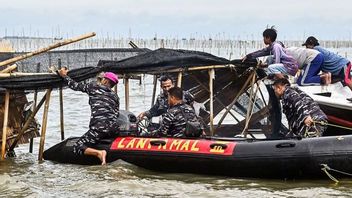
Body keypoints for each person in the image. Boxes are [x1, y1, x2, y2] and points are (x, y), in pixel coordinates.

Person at [58, 68, 120, 165]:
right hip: (114, 129)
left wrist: (64, 76)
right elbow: (116, 114)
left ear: (105, 81)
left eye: (103, 78)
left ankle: (99, 152)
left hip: (99, 128)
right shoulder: (115, 96)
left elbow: (75, 86)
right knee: (103, 133)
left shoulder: (93, 87)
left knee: (78, 146)